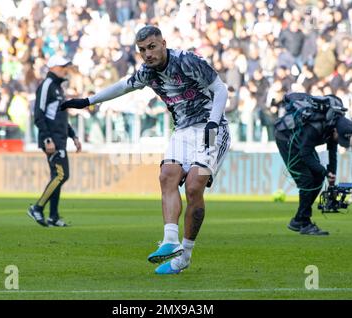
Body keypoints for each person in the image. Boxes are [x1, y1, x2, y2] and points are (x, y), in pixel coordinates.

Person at [60, 25, 231, 274]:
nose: (148, 54)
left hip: (210, 126)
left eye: (151, 47)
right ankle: (170, 240)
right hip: (183, 130)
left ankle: (184, 257)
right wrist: (88, 101)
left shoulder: (187, 61)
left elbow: (221, 89)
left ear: (163, 43)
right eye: (142, 50)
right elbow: (123, 86)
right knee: (167, 176)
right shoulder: (147, 73)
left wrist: (214, 122)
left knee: (194, 188)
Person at [274, 93, 352, 236]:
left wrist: (331, 177)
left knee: (317, 176)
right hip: (285, 137)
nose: (338, 140)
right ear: (336, 130)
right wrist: (325, 172)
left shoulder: (333, 125)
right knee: (306, 180)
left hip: (300, 142)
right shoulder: (316, 127)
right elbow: (305, 154)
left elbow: (332, 153)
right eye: (339, 137)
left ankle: (300, 220)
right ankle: (303, 222)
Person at [27, 55, 82, 227]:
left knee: (57, 176)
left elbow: (61, 117)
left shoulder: (58, 87)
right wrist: (47, 138)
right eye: (62, 66)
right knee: (61, 175)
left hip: (60, 138)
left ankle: (53, 216)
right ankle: (37, 207)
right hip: (52, 139)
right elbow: (38, 114)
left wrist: (73, 135)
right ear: (52, 67)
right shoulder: (47, 85)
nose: (65, 69)